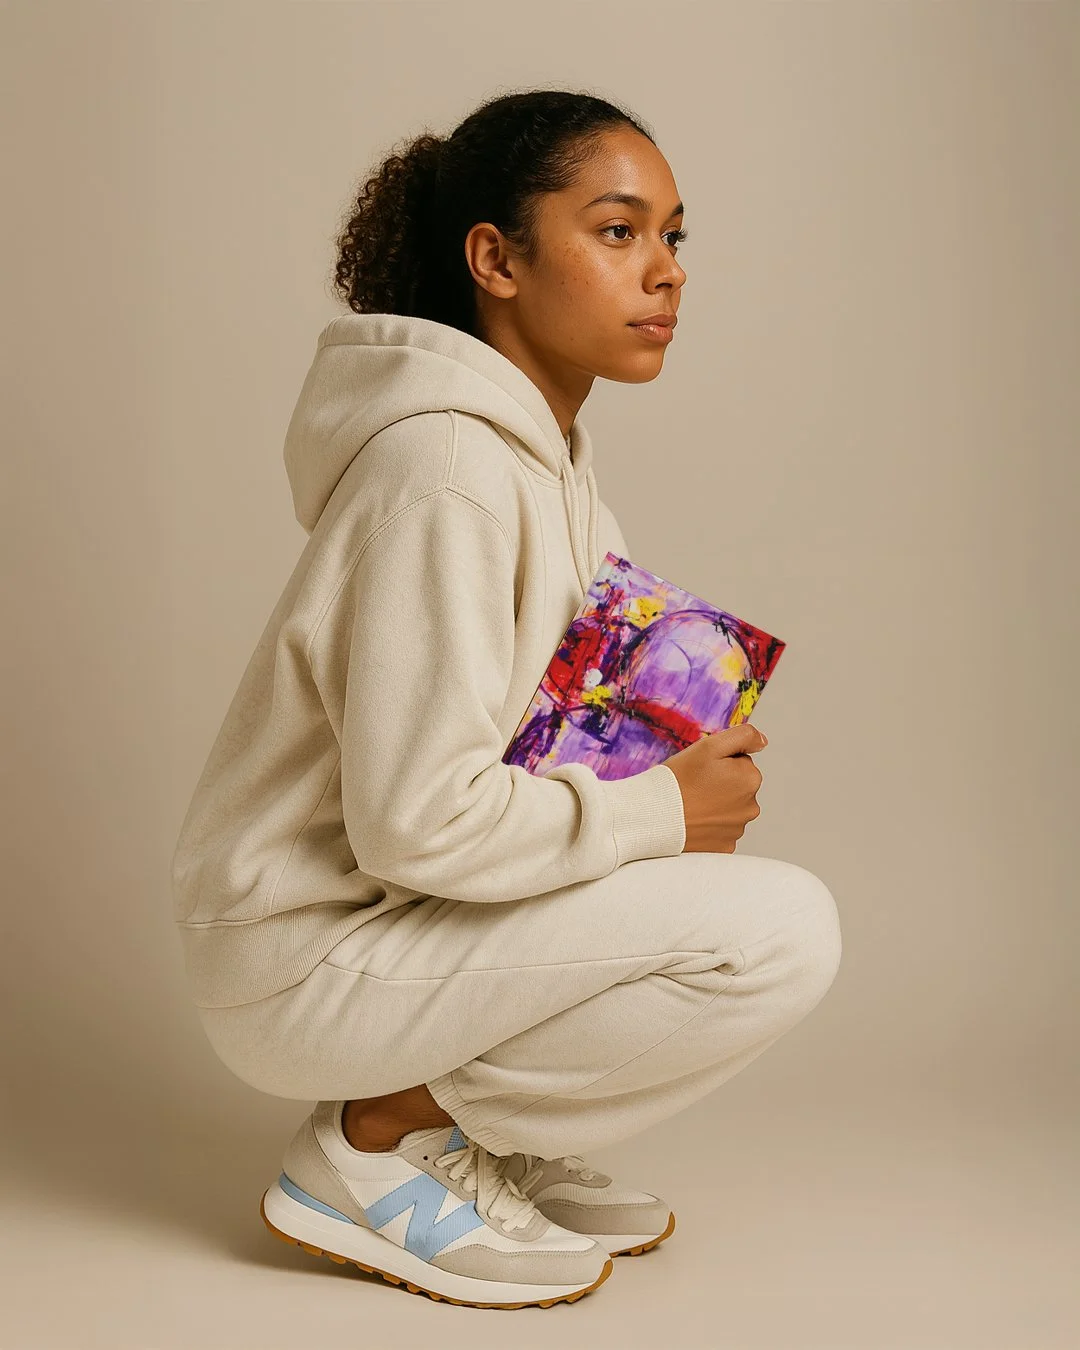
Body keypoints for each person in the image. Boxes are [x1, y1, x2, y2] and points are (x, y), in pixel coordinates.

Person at [170, 86, 842, 1311]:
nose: (667, 273)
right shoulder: (448, 472)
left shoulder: (546, 455)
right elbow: (415, 824)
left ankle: (461, 1136)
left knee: (706, 872)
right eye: (620, 231)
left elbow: (535, 736)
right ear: (497, 259)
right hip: (307, 952)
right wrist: (658, 812)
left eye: (675, 236)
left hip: (399, 921)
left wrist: (670, 739)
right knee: (778, 929)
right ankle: (378, 1139)